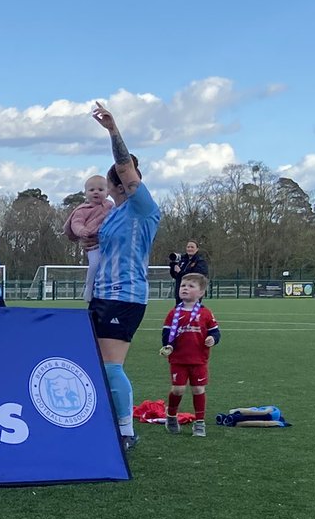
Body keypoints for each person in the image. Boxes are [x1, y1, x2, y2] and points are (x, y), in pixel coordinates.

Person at [89, 103, 162, 452]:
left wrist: (113, 130)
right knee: (97, 363)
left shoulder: (143, 206)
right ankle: (106, 420)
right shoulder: (114, 215)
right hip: (102, 295)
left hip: (126, 296)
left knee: (110, 365)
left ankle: (125, 431)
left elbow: (124, 167)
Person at [159, 273, 220, 437]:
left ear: (201, 293)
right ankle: (171, 416)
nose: (185, 288)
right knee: (178, 390)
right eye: (183, 285)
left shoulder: (206, 313)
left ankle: (199, 422)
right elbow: (166, 334)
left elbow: (215, 332)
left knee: (198, 389)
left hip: (199, 359)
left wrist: (212, 339)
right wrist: (168, 346)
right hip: (178, 359)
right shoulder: (173, 313)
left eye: (191, 286)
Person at [62, 175, 112, 302]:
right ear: (86, 193)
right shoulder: (82, 210)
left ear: (107, 192)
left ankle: (105, 290)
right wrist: (81, 231)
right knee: (95, 265)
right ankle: (89, 289)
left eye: (101, 189)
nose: (96, 192)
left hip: (109, 244)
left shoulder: (111, 207)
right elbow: (76, 223)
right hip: (93, 245)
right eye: (92, 190)